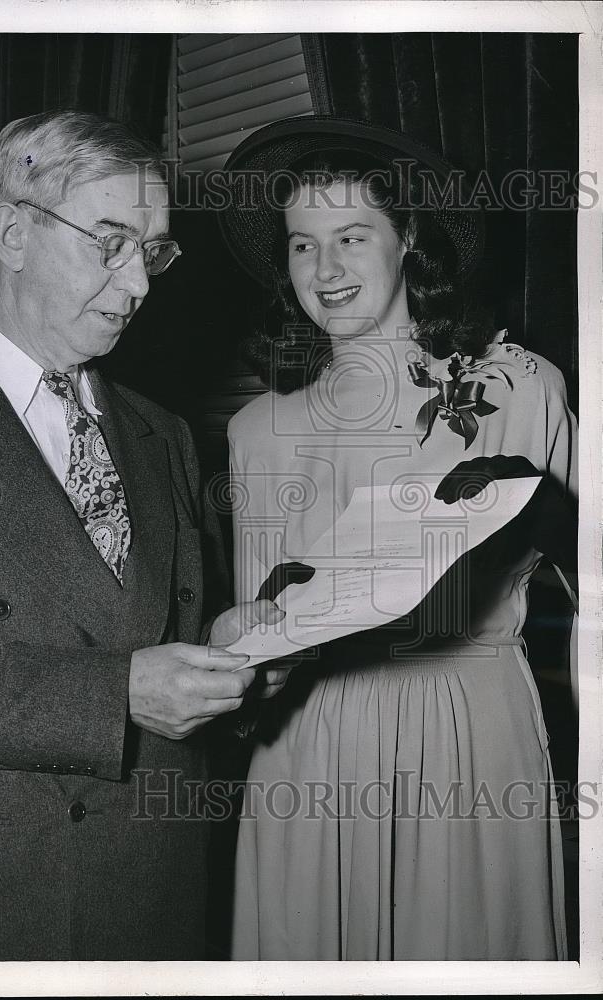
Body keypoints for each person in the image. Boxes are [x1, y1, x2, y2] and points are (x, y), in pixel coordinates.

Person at [0, 109, 290, 962]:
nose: (140, 282)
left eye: (153, 252)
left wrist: (229, 652)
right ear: (14, 232)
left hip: (157, 899)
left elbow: (160, 636)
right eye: (110, 241)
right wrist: (114, 696)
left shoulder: (165, 433)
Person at [219, 117, 577, 960]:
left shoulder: (515, 383)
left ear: (408, 236)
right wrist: (238, 654)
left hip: (467, 731)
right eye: (303, 246)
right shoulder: (254, 431)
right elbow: (259, 626)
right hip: (310, 744)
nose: (327, 268)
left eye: (351, 235)